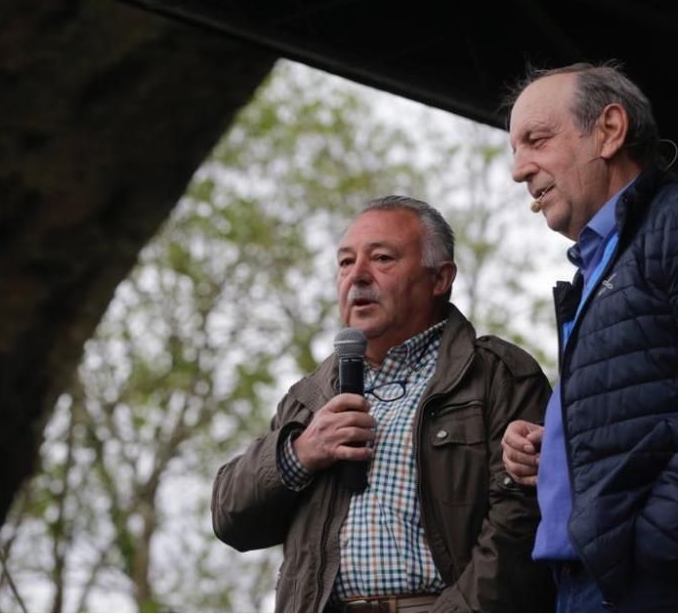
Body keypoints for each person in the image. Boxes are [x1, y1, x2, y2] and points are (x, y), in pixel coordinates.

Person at [212, 196, 554, 612]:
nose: (357, 277)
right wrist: (300, 453)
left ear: (440, 278)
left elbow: (521, 519)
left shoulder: (497, 374)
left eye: (382, 258)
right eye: (344, 263)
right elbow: (231, 519)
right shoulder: (308, 400)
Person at [501, 61, 678, 611]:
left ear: (610, 130)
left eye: (536, 140)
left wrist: (663, 534)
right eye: (514, 151)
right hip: (589, 581)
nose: (520, 170)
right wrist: (559, 454)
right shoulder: (596, 266)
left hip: (655, 578)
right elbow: (645, 406)